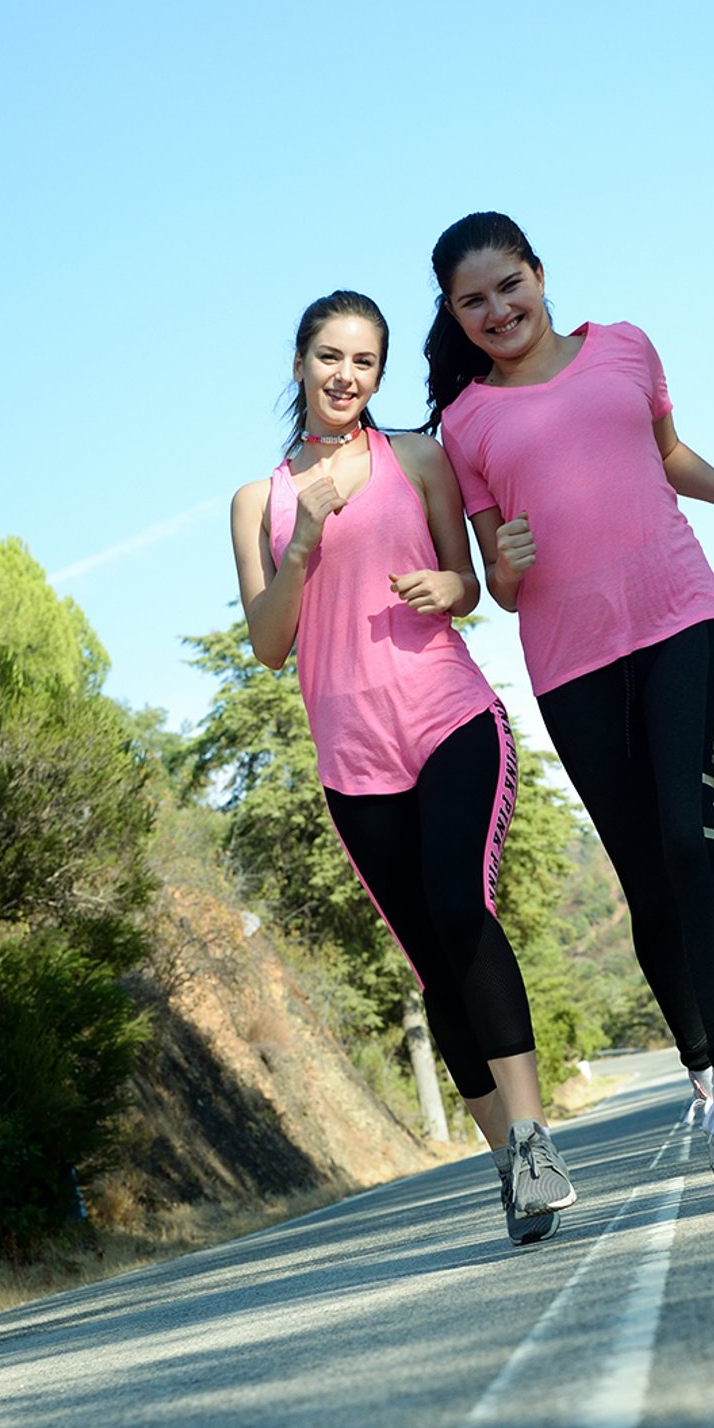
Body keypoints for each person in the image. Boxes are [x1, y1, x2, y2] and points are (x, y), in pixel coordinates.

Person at [423, 214, 714, 1193]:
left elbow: (668, 455)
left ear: (540, 275)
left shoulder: (626, 347)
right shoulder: (466, 424)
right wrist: (500, 562)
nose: (497, 309)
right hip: (572, 660)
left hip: (681, 616)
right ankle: (703, 1072)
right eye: (473, 300)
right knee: (641, 872)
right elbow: (497, 578)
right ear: (456, 315)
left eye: (508, 285)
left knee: (687, 837)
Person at [230, 288, 576, 1246]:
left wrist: (450, 583)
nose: (347, 376)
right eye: (330, 357)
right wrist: (302, 537)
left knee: (462, 909)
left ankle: (539, 1138)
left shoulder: (417, 456)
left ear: (379, 374)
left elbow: (470, 584)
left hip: (446, 714)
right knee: (433, 962)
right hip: (352, 754)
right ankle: (511, 1161)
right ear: (299, 362)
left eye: (365, 362)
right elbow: (267, 643)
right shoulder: (257, 501)